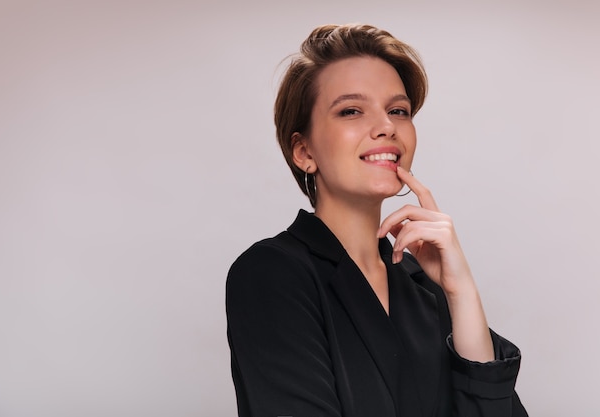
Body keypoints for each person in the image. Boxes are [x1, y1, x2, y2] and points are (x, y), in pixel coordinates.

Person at [226, 23, 528, 417]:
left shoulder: (425, 286)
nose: (387, 126)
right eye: (351, 110)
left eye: (398, 111)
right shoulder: (271, 273)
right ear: (303, 151)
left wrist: (461, 292)